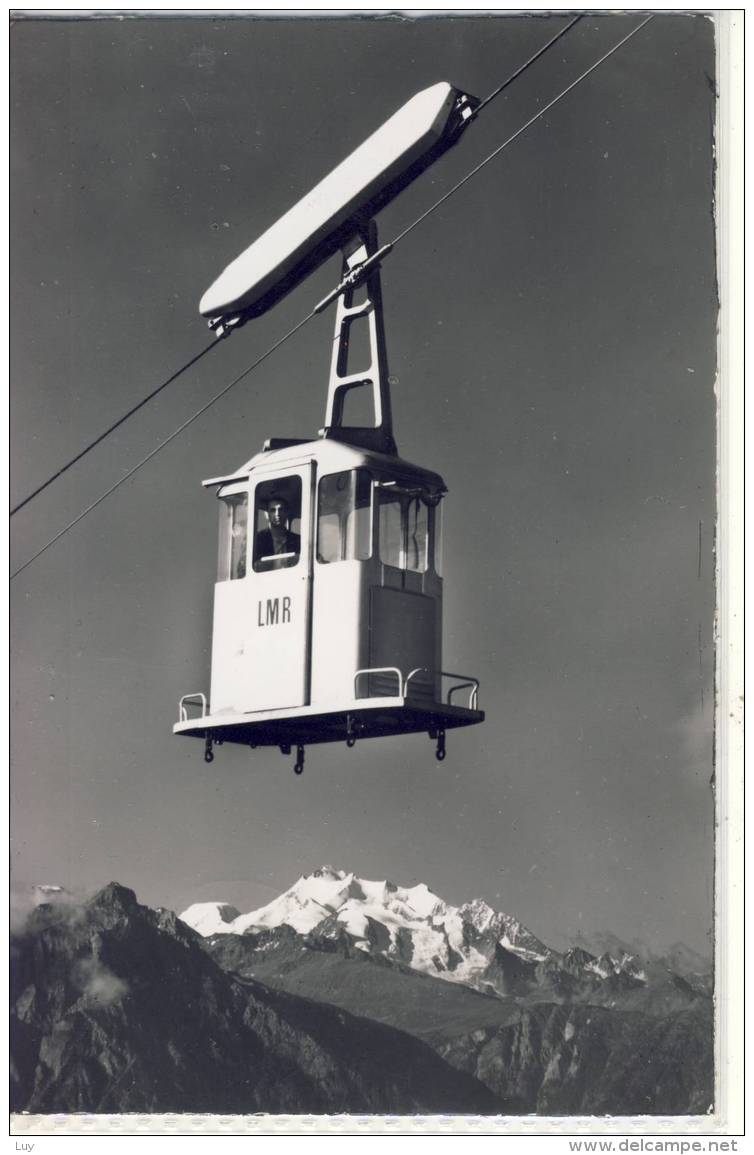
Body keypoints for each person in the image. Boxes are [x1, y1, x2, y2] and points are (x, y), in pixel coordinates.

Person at [256, 496, 301, 569]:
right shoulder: (258, 540)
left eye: (281, 510)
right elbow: (242, 568)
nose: (277, 514)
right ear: (267, 514)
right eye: (273, 510)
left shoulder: (297, 540)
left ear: (286, 512)